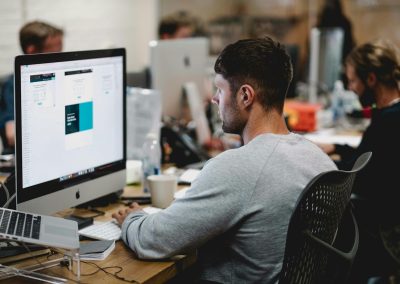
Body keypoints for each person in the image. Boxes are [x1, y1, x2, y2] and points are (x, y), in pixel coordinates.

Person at [113, 37, 336, 283]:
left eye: (220, 89)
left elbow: (154, 240)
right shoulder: (319, 158)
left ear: (245, 96)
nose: (215, 99)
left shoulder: (237, 168)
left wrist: (132, 219)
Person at [317, 40, 400, 282]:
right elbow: (373, 157)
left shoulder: (388, 122)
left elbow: (359, 176)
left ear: (371, 79)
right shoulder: (390, 116)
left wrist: (316, 162)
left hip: (385, 232)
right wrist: (337, 147)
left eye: (353, 81)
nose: (351, 89)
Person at [0, 21, 63, 154]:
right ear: (32, 50)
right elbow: (12, 136)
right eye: (54, 52)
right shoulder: (13, 85)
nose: (60, 57)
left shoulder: (58, 77)